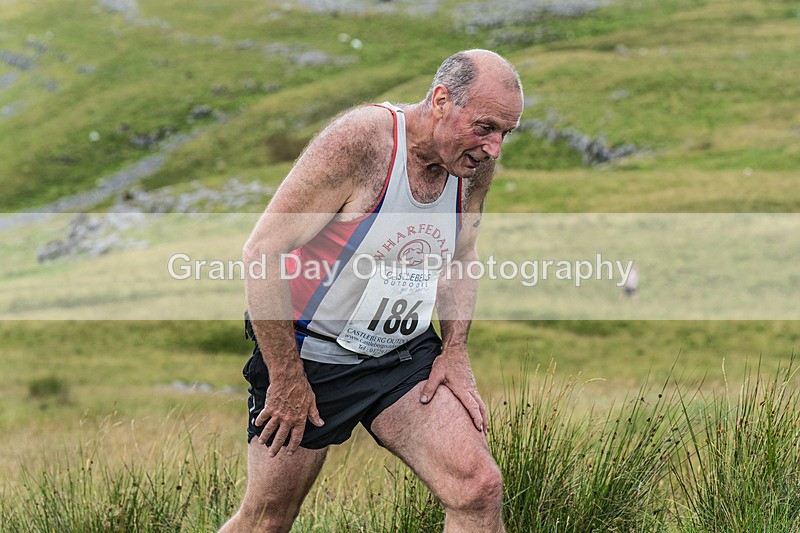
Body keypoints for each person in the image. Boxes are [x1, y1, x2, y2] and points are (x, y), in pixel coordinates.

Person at [221, 49, 523, 533]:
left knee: (478, 487)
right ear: (441, 100)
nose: (494, 148)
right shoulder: (363, 141)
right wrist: (286, 375)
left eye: (506, 133)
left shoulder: (471, 165)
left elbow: (462, 256)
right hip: (309, 357)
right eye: (486, 127)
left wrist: (456, 351)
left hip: (399, 356)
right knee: (267, 520)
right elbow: (263, 251)